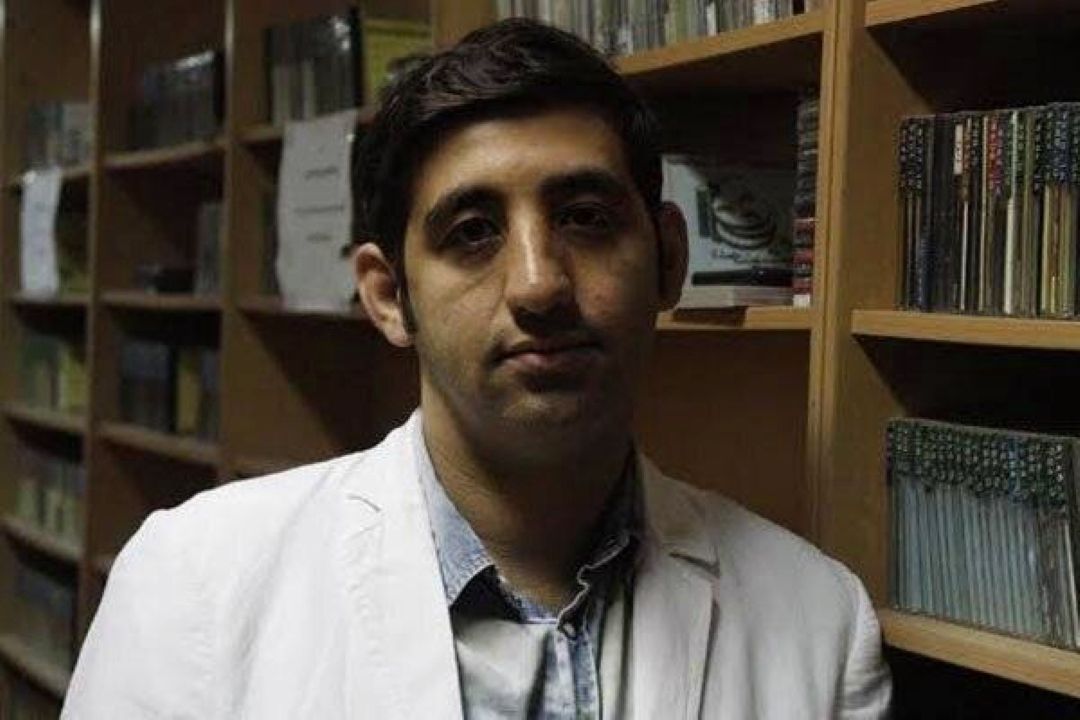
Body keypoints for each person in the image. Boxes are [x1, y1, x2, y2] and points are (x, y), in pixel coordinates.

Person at [62, 19, 891, 719]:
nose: (538, 283)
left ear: (668, 259)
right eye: (471, 232)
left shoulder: (818, 624)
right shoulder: (195, 588)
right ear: (389, 298)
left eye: (586, 218)